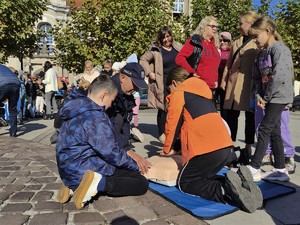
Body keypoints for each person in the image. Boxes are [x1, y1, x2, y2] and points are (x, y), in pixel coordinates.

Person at [159, 67, 262, 213]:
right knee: (203, 177)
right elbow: (191, 125)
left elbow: (173, 125)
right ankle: (240, 184)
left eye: (169, 89)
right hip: (226, 147)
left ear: (174, 83)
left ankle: (225, 190)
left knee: (186, 182)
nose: (170, 93)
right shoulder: (203, 94)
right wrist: (176, 148)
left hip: (207, 149)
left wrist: (166, 149)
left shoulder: (179, 93)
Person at [56, 75, 148, 209]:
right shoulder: (95, 116)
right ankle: (97, 183)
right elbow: (111, 153)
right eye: (112, 100)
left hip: (67, 168)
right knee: (140, 182)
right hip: (82, 168)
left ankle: (72, 185)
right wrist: (135, 165)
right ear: (104, 96)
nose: (111, 104)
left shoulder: (75, 107)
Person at [247, 16, 294, 182]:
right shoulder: (261, 54)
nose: (254, 41)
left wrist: (266, 98)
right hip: (269, 96)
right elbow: (258, 78)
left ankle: (254, 166)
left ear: (267, 32)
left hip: (279, 95)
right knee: (274, 131)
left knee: (265, 128)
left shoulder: (279, 49)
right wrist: (260, 95)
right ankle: (281, 169)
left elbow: (279, 76)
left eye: (256, 36)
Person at [220, 11, 260, 164]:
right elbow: (229, 63)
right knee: (231, 116)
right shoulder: (236, 42)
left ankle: (248, 148)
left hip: (248, 85)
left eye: (241, 23)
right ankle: (231, 145)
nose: (238, 26)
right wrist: (224, 81)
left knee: (250, 117)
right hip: (233, 83)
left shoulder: (256, 42)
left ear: (249, 24)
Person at [140, 26, 182, 143]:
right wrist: (149, 72)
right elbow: (143, 60)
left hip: (176, 81)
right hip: (162, 81)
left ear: (171, 36)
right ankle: (162, 133)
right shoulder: (156, 50)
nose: (166, 40)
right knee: (163, 107)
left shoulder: (178, 47)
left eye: (168, 36)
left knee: (176, 106)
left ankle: (175, 130)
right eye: (163, 37)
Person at [107, 62, 151, 173]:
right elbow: (109, 124)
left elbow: (126, 121)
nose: (136, 88)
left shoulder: (127, 96)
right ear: (122, 77)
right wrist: (126, 150)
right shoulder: (108, 91)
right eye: (134, 83)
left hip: (114, 142)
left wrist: (126, 147)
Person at [175, 16, 220, 91]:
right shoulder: (196, 41)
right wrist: (191, 72)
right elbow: (179, 58)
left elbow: (214, 65)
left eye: (216, 27)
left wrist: (216, 79)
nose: (215, 29)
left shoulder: (214, 44)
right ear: (204, 26)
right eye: (212, 26)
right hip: (197, 86)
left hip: (211, 87)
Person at [256, 107, 296, 174]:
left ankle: (288, 156)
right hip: (261, 98)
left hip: (280, 99)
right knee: (261, 126)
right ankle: (266, 154)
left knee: (282, 128)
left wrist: (288, 102)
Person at [0, 64, 21, 137]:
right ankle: (13, 132)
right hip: (16, 83)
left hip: (3, 84)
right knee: (12, 109)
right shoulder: (4, 67)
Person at [216, 31, 232, 118]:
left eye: (225, 40)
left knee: (225, 111)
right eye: (220, 40)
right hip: (215, 83)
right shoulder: (216, 51)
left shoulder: (231, 53)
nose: (222, 42)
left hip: (225, 84)